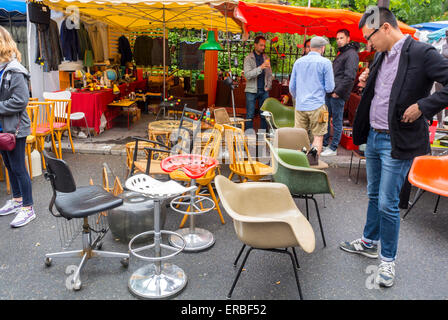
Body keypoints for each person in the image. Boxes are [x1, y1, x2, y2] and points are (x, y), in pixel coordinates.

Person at [339, 7, 448, 288]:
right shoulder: (380, 56)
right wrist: (367, 80)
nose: (368, 43)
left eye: (369, 37)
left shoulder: (421, 52)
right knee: (374, 194)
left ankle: (388, 259)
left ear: (385, 28)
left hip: (397, 140)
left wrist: (424, 106)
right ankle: (368, 242)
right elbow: (385, 89)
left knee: (388, 202)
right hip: (374, 137)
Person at [0, 26, 35, 228]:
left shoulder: (15, 70)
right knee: (9, 166)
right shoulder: (3, 69)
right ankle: (17, 201)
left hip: (15, 129)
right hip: (4, 127)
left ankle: (28, 208)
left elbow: (21, 101)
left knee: (19, 168)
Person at [289, 36, 335, 154]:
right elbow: (330, 88)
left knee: (300, 138)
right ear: (322, 48)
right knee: (318, 137)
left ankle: (300, 165)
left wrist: (299, 98)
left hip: (300, 106)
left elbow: (292, 87)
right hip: (318, 106)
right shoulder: (326, 63)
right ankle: (312, 166)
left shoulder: (298, 62)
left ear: (311, 47)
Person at [321, 29, 360, 156]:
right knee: (325, 119)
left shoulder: (352, 54)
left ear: (348, 38)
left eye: (341, 38)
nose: (338, 40)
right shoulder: (343, 53)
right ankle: (325, 144)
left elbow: (350, 77)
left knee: (337, 121)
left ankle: (333, 148)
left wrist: (338, 92)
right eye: (337, 38)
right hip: (331, 92)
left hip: (337, 93)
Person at [243, 35, 272, 130]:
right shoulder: (248, 58)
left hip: (264, 90)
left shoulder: (266, 57)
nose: (263, 47)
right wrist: (260, 67)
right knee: (250, 115)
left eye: (264, 45)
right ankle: (249, 137)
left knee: (264, 115)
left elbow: (269, 73)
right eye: (261, 45)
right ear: (255, 45)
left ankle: (263, 137)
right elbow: (247, 75)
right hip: (251, 91)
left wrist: (269, 85)